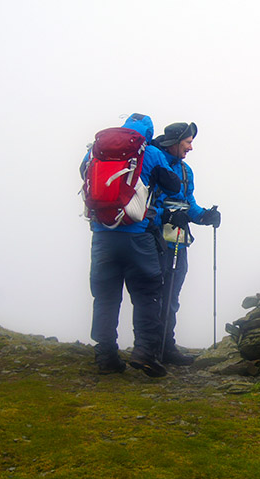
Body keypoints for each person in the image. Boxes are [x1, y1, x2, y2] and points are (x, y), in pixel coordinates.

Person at [83, 113, 180, 377]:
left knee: (105, 297)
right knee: (147, 295)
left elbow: (85, 176)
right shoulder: (149, 152)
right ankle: (145, 353)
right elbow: (173, 185)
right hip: (137, 236)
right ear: (147, 134)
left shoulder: (95, 151)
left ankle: (106, 356)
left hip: (102, 236)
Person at [152, 122, 221, 366]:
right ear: (174, 142)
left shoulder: (184, 171)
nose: (191, 147)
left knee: (172, 293)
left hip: (177, 240)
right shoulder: (154, 163)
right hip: (156, 239)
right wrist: (167, 216)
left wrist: (204, 216)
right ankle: (154, 347)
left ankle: (165, 345)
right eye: (188, 142)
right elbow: (146, 203)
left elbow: (187, 203)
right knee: (158, 293)